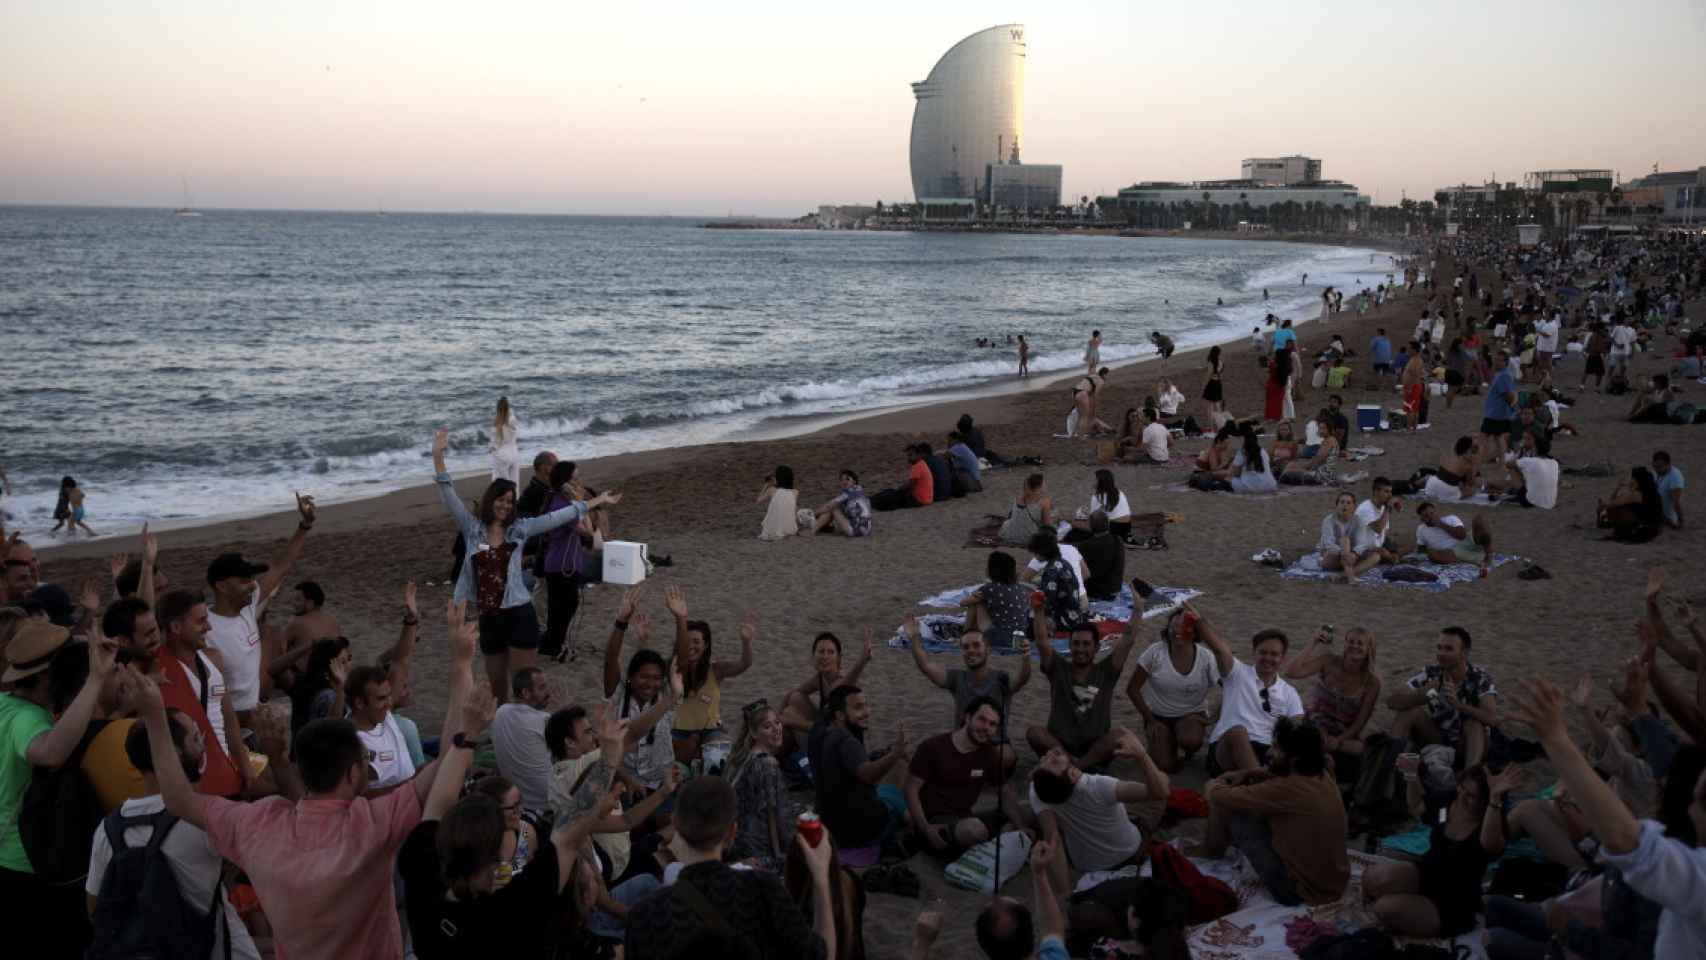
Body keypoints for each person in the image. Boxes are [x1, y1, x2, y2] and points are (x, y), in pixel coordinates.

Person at [133, 600, 487, 960]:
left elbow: (178, 799)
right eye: (364, 760)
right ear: (352, 773)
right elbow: (449, 764)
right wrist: (461, 666)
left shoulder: (258, 824)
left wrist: (154, 718)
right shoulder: (371, 824)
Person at [401, 685, 616, 960]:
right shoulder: (511, 912)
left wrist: (468, 734)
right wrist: (609, 757)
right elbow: (570, 832)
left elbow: (439, 802)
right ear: (492, 862)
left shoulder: (423, 869)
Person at [1505, 678, 1706, 957]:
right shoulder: (1686, 863)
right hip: (1593, 894)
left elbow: (1625, 841)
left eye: (1702, 800)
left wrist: (1555, 737)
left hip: (1582, 930)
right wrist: (1636, 707)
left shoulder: (1684, 875)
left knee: (1495, 935)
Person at [433, 427, 620, 703]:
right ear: (490, 500)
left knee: (526, 689)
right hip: (489, 618)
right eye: (500, 500)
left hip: (519, 614)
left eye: (510, 502)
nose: (505, 506)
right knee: (498, 689)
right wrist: (438, 456)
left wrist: (597, 500)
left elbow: (559, 516)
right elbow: (448, 494)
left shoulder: (519, 530)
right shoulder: (472, 529)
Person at [85, 706, 264, 960]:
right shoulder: (205, 818)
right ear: (175, 754)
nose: (202, 743)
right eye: (194, 738)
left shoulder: (108, 830)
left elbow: (95, 908)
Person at [625, 777, 838, 959]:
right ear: (732, 832)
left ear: (676, 825)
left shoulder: (644, 916)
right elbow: (822, 954)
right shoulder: (762, 891)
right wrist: (820, 878)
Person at [0, 622, 117, 944]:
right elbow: (50, 752)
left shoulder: (4, 706)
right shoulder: (27, 718)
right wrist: (95, 680)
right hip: (28, 863)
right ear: (46, 677)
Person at [1199, 716, 1350, 906]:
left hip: (1296, 890)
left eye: (1277, 748)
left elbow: (1217, 795)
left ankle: (1211, 852)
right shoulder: (1322, 771)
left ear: (1294, 758)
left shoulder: (1286, 789)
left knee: (1227, 804)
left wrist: (1216, 783)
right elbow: (1278, 773)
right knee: (1245, 797)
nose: (1270, 752)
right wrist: (1248, 772)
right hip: (1333, 882)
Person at [204, 492, 316, 722]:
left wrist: (305, 525)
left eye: (251, 578)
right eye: (244, 580)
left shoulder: (248, 605)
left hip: (255, 711)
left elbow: (281, 565)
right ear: (222, 586)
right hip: (228, 720)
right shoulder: (204, 626)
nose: (252, 585)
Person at [1028, 728, 1165, 892]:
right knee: (1163, 783)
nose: (1051, 753)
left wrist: (1064, 893)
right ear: (1073, 774)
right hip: (1132, 852)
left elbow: (1052, 838)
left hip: (1085, 865)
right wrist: (1141, 755)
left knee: (1053, 827)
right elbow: (1159, 793)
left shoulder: (1036, 791)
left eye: (1046, 758)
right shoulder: (1099, 785)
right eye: (1053, 761)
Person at [155, 589, 252, 799]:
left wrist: (247, 771)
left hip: (226, 766)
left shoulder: (213, 660)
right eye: (200, 621)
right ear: (176, 627)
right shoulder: (160, 670)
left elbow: (230, 722)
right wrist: (147, 566)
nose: (208, 627)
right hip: (194, 776)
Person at [906, 609, 1032, 771]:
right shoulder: (957, 678)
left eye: (976, 645)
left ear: (987, 649)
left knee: (1006, 757)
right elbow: (926, 666)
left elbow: (1021, 679)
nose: (971, 650)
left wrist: (1026, 658)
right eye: (966, 647)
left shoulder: (1001, 679)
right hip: (963, 741)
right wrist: (915, 637)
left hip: (993, 743)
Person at [1198, 605, 1307, 774]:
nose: (1268, 658)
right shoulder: (1237, 673)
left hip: (1267, 751)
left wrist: (1282, 749)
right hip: (1226, 749)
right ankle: (1261, 786)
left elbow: (1297, 726)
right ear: (1253, 653)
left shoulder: (1289, 692)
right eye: (1263, 652)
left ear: (1282, 657)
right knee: (1238, 732)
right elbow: (1218, 648)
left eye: (1274, 654)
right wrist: (1195, 617)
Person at [905, 697, 1016, 859]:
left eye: (993, 724)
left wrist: (1021, 825)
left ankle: (987, 846)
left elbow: (1004, 790)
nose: (986, 727)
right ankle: (991, 847)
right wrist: (925, 828)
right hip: (936, 824)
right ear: (967, 717)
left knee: (1025, 811)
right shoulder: (933, 747)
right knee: (974, 829)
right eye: (982, 719)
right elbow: (910, 789)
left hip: (965, 817)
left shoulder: (988, 753)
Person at [1026, 613, 1138, 769]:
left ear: (1097, 647)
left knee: (1119, 736)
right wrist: (1038, 610)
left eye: (1086, 644)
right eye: (1076, 643)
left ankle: (1076, 766)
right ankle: (1075, 764)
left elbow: (1128, 640)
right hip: (1060, 745)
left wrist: (1138, 609)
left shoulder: (1106, 671)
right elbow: (1041, 641)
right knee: (1034, 733)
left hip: (1095, 749)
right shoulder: (1058, 668)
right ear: (1069, 645)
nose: (1080, 649)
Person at [809, 685, 911, 854]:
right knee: (900, 771)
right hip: (860, 833)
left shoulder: (819, 733)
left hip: (831, 825)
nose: (866, 712)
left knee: (887, 786)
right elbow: (867, 775)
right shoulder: (847, 741)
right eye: (858, 708)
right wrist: (895, 754)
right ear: (840, 715)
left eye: (866, 705)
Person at [601, 588, 679, 799]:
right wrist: (621, 621)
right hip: (623, 782)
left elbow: (679, 658)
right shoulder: (618, 693)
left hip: (661, 782)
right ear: (630, 677)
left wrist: (681, 619)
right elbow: (610, 658)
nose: (651, 684)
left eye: (656, 678)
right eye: (644, 677)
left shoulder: (664, 694)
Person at [664, 586, 754, 762]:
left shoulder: (716, 669)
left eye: (696, 641)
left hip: (711, 731)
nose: (691, 646)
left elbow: (744, 663)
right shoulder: (674, 667)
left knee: (719, 760)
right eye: (687, 641)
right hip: (679, 732)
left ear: (705, 645)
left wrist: (746, 642)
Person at [1126, 606, 1220, 773]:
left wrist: (1212, 719)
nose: (1178, 631)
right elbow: (1132, 689)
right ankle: (1165, 741)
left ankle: (1187, 749)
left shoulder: (1206, 657)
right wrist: (1151, 720)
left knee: (1191, 740)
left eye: (1185, 626)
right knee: (1165, 766)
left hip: (1191, 714)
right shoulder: (1155, 652)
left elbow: (1231, 688)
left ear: (1195, 632)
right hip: (1158, 716)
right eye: (1174, 626)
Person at [1281, 626, 1381, 782]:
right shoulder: (1329, 661)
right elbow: (1291, 672)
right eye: (1350, 641)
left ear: (1369, 649)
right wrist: (1313, 643)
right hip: (1314, 723)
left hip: (1342, 733)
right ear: (1345, 644)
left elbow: (1359, 723)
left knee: (1363, 750)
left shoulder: (1372, 683)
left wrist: (1338, 740)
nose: (1354, 646)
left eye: (1360, 643)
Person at [1388, 627, 1497, 769]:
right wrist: (1422, 695)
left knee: (1474, 724)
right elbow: (1392, 701)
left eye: (1448, 649)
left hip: (1467, 744)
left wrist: (1459, 705)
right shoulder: (1431, 673)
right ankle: (1391, 768)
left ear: (1464, 653)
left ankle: (1470, 777)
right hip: (1437, 738)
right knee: (1409, 713)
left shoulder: (1479, 678)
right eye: (1439, 648)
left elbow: (1492, 719)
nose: (1441, 654)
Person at [724, 699, 798, 870]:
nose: (776, 729)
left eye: (777, 723)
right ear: (754, 733)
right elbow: (773, 814)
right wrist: (780, 853)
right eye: (767, 726)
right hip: (756, 848)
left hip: (737, 841)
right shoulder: (768, 764)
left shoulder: (745, 756)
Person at [537, 459, 597, 661]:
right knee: (563, 606)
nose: (579, 482)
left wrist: (579, 503)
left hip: (566, 563)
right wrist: (582, 504)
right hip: (561, 565)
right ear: (565, 482)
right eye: (575, 478)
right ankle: (553, 645)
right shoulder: (562, 505)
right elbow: (586, 532)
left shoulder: (563, 502)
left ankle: (552, 644)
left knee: (562, 606)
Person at [779, 629, 872, 738]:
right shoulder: (820, 678)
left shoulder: (841, 683)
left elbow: (846, 684)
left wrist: (862, 661)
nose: (825, 657)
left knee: (789, 716)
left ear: (839, 658)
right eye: (821, 652)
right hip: (824, 729)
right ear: (813, 656)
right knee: (795, 698)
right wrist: (776, 716)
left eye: (831, 652)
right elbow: (794, 692)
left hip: (839, 743)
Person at [491, 666, 556, 814]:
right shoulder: (544, 720)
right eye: (542, 688)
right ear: (526, 693)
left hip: (517, 804)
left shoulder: (500, 712)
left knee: (524, 835)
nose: (548, 693)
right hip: (544, 806)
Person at [960, 550, 1035, 652]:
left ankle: (965, 636)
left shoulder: (989, 588)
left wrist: (974, 595)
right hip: (1020, 638)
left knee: (976, 602)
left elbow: (963, 603)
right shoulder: (1021, 589)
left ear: (991, 570)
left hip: (999, 638)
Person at [1413, 503, 1493, 575]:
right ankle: (1472, 561)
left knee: (1478, 519)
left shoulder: (1451, 518)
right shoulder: (1421, 529)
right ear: (1422, 519)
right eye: (1426, 516)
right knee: (1431, 554)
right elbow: (1421, 548)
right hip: (1452, 553)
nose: (1431, 516)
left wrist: (1440, 524)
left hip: (1466, 542)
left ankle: (1488, 555)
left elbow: (1462, 535)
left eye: (1432, 513)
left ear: (1436, 512)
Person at [1599, 467, 1666, 542]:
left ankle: (1620, 530)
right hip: (1656, 527)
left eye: (1633, 479)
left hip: (1645, 528)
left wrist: (1603, 505)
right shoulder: (1653, 493)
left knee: (1616, 509)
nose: (1630, 481)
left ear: (1638, 481)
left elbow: (1611, 504)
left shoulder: (1636, 495)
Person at [1071, 513, 1125, 602]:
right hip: (1115, 588)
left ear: (1091, 526)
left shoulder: (1086, 546)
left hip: (1096, 592)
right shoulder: (1118, 540)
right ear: (1108, 524)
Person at [810, 469, 873, 538]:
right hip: (867, 530)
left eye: (847, 479)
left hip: (856, 530)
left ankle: (812, 531)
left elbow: (828, 506)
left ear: (854, 481)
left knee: (833, 509)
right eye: (842, 480)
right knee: (837, 508)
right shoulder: (860, 491)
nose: (844, 482)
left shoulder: (847, 493)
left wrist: (812, 514)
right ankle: (823, 526)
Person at [1481, 349, 1519, 463]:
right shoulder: (1502, 374)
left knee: (1484, 437)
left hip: (1496, 413)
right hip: (1498, 412)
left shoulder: (1504, 376)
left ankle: (1482, 458)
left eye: (1499, 360)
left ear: (1505, 362)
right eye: (1495, 360)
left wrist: (1512, 407)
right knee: (1498, 438)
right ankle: (1501, 461)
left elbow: (1509, 395)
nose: (1495, 362)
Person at [870, 444, 934, 511]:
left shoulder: (917, 466)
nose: (908, 458)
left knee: (891, 495)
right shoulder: (922, 463)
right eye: (908, 455)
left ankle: (870, 502)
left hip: (919, 501)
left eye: (910, 455)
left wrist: (900, 490)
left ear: (918, 455)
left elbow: (911, 485)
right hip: (926, 499)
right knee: (890, 492)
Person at [998, 472, 1055, 547]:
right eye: (1044, 484)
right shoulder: (1044, 502)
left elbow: (1012, 516)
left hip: (1010, 535)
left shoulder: (1018, 498)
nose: (1045, 485)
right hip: (1029, 538)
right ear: (1038, 487)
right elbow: (1047, 526)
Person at [756, 465, 801, 541]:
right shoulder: (795, 492)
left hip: (771, 530)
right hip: (789, 529)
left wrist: (766, 485)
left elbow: (758, 500)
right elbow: (793, 509)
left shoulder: (772, 490)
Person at [491, 396, 521, 484]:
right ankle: (515, 497)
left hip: (502, 455)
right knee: (514, 484)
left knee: (500, 485)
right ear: (508, 408)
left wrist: (492, 451)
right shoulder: (512, 420)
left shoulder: (497, 423)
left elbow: (494, 444)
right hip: (514, 453)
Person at [1653, 450, 1685, 530]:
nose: (1657, 469)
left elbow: (1676, 503)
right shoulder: (1658, 472)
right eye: (1655, 466)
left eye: (1660, 467)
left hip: (1667, 518)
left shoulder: (1675, 478)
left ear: (1668, 464)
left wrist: (1680, 521)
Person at [1201, 345, 1225, 423]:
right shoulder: (1221, 362)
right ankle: (1220, 423)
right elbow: (1221, 375)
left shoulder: (1211, 362)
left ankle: (1211, 427)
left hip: (1211, 384)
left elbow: (1208, 375)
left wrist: (1204, 385)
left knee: (1209, 406)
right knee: (1217, 404)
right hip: (1218, 383)